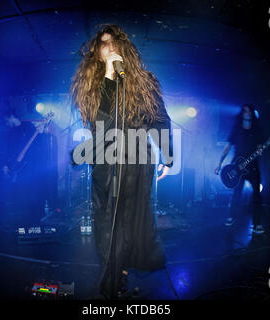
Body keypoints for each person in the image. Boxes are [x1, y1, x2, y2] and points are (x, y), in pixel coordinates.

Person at [70, 24, 173, 298]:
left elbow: (160, 119)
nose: (110, 47)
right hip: (105, 161)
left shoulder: (144, 81)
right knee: (106, 223)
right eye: (103, 44)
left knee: (132, 223)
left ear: (124, 48)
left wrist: (167, 156)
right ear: (96, 53)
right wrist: (108, 75)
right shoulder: (91, 87)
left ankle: (118, 274)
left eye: (114, 43)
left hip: (138, 163)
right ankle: (114, 274)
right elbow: (101, 125)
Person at [214, 104, 265, 234]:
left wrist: (260, 150)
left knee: (257, 196)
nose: (247, 113)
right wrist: (220, 163)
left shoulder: (257, 129)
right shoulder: (237, 129)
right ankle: (231, 217)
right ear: (242, 113)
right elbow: (228, 147)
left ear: (252, 113)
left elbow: (260, 147)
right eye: (245, 111)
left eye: (249, 111)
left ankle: (257, 224)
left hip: (253, 166)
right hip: (237, 166)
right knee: (236, 194)